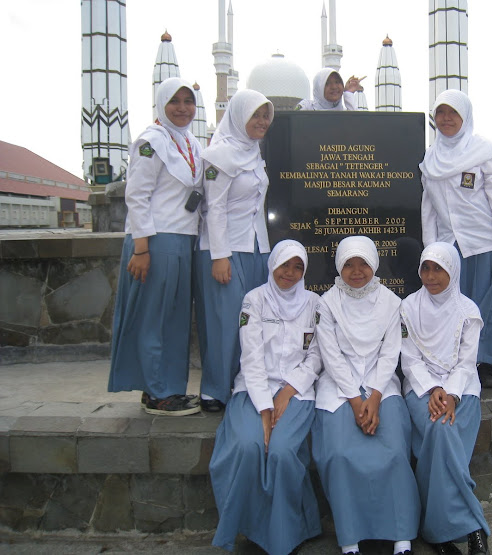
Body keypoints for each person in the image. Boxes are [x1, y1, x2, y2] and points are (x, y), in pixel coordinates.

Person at [209, 240, 322, 554]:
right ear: (272, 264)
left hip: (296, 393)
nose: (290, 273)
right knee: (248, 445)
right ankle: (249, 527)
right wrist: (264, 410)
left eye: (298, 266)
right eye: (284, 264)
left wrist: (288, 391)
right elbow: (251, 358)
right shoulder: (254, 300)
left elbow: (315, 357)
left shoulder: (314, 304)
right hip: (253, 391)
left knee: (284, 451)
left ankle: (288, 532)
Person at [312, 236, 420, 555]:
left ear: (374, 265)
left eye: (363, 264)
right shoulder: (326, 303)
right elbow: (330, 357)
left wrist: (373, 397)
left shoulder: (391, 302)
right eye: (349, 264)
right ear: (339, 267)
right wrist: (356, 401)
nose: (356, 271)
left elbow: (390, 355)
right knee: (339, 454)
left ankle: (401, 537)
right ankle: (350, 539)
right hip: (338, 388)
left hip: (381, 385)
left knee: (396, 452)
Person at [108, 77, 203, 416]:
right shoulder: (152, 141)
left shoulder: (190, 141)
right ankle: (156, 391)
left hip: (183, 241)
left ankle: (171, 389)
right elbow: (137, 195)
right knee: (154, 318)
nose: (182, 108)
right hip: (157, 240)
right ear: (161, 104)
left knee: (175, 320)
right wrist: (142, 249)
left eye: (188, 101)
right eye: (174, 101)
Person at [419, 90, 492, 389]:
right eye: (441, 113)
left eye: (453, 113)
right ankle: (456, 362)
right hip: (450, 247)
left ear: (465, 116)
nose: (446, 119)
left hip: (484, 243)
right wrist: (431, 251)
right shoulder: (430, 158)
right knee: (453, 306)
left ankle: (484, 362)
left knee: (484, 306)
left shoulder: (484, 151)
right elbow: (429, 209)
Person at [401, 242, 490, 555]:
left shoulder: (468, 311)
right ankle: (474, 526)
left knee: (441, 432)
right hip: (421, 390)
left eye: (438, 268)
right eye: (426, 267)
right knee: (441, 431)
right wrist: (432, 389)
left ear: (453, 270)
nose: (430, 276)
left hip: (462, 390)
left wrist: (451, 394)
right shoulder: (409, 307)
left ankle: (437, 531)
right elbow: (409, 359)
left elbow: (467, 364)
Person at [193, 90, 273, 412]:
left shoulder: (254, 153)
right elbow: (214, 207)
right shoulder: (220, 155)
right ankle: (214, 390)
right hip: (224, 250)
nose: (262, 121)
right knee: (224, 320)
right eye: (255, 115)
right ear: (239, 116)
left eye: (266, 115)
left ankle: (242, 382)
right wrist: (220, 256)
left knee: (250, 320)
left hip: (255, 247)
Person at [296, 67, 364, 111]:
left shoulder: (344, 112)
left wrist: (348, 93)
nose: (334, 87)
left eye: (337, 82)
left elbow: (356, 124)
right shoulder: (307, 107)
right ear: (319, 89)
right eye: (327, 83)